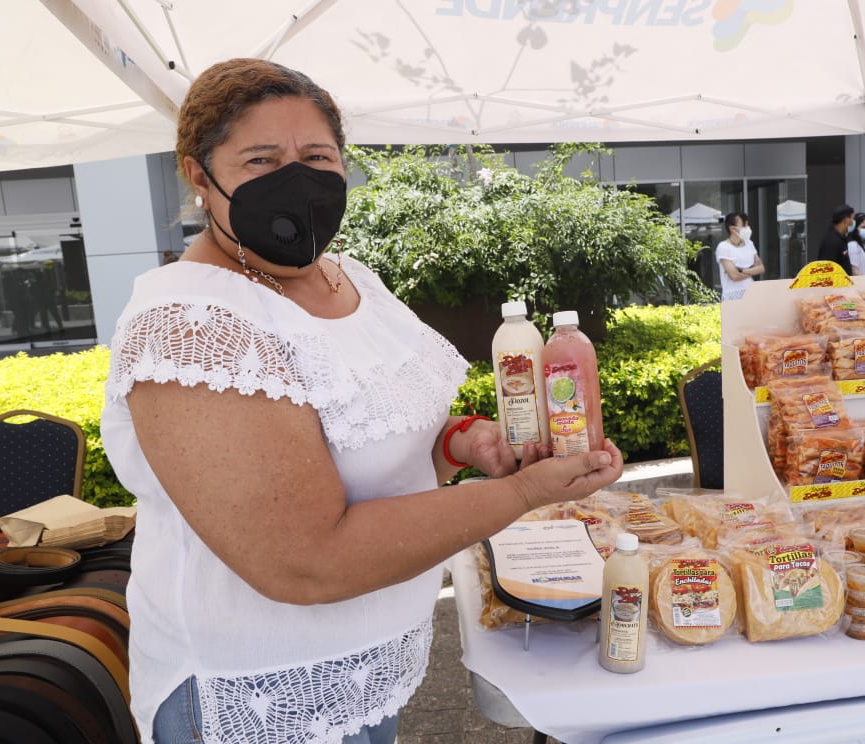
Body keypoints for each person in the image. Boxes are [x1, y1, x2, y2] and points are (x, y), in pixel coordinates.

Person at [99, 58, 624, 744]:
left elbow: (374, 437)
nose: (297, 179)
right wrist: (522, 494)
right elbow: (306, 558)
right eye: (262, 159)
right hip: (266, 696)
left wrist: (462, 442)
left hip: (367, 669)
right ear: (200, 175)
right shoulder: (194, 325)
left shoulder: (349, 278)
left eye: (316, 156)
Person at [715, 211, 765, 300]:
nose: (747, 228)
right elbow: (734, 276)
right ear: (733, 229)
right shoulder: (723, 247)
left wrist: (741, 270)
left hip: (751, 292)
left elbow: (761, 268)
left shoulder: (749, 244)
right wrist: (752, 271)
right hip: (733, 296)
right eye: (744, 226)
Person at [817, 204, 854, 272]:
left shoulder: (841, 239)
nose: (852, 223)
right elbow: (826, 270)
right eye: (852, 219)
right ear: (846, 220)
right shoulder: (831, 241)